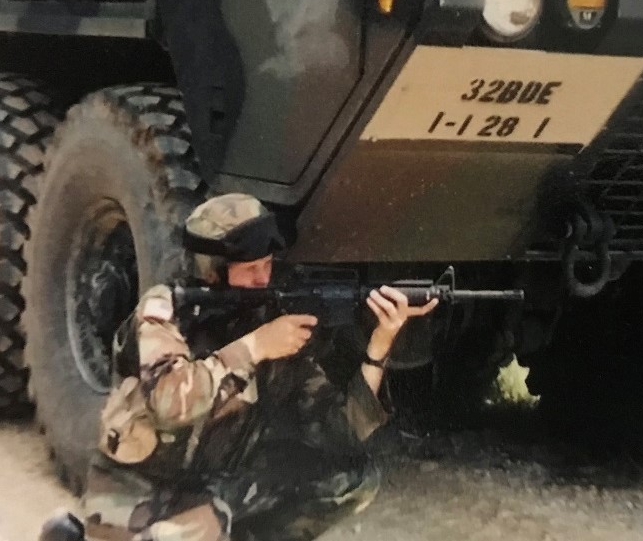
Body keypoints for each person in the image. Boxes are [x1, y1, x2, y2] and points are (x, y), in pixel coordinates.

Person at [40, 193, 437, 541]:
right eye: (249, 270)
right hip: (136, 491)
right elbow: (169, 401)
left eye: (266, 265)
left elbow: (339, 431)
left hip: (213, 490)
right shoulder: (164, 312)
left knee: (349, 478)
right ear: (211, 271)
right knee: (198, 528)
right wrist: (255, 347)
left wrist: (380, 345)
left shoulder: (269, 317)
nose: (263, 279)